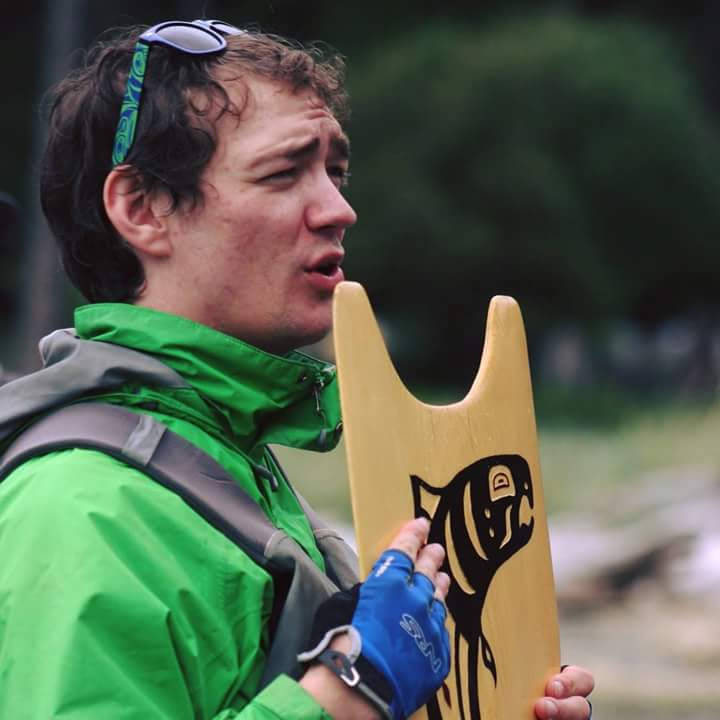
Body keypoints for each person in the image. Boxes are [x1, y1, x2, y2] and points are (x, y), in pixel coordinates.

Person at [0, 19, 594, 720]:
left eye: (335, 172)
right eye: (284, 172)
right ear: (143, 209)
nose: (340, 209)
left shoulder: (229, 465)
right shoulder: (81, 510)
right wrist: (350, 689)